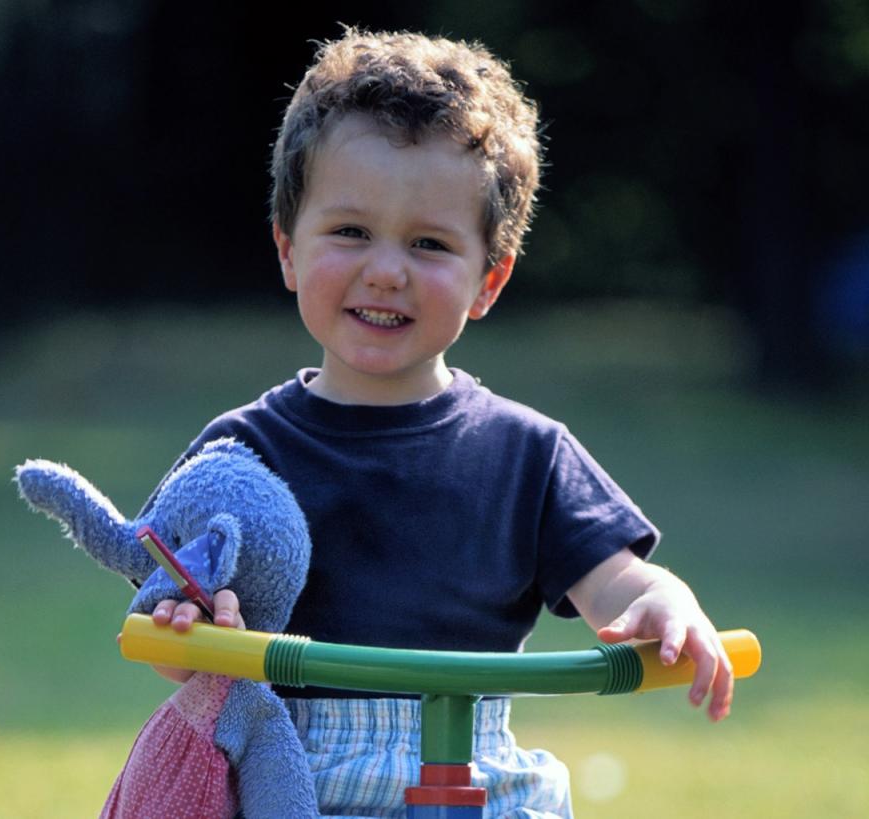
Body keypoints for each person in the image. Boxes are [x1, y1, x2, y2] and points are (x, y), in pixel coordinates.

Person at [144, 27, 734, 818]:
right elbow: (169, 624)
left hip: (477, 786)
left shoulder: (526, 454)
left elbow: (619, 583)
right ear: (288, 248)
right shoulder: (240, 453)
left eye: (428, 244)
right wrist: (191, 629)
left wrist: (666, 599)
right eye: (350, 232)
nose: (386, 271)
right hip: (288, 786)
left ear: (488, 280)